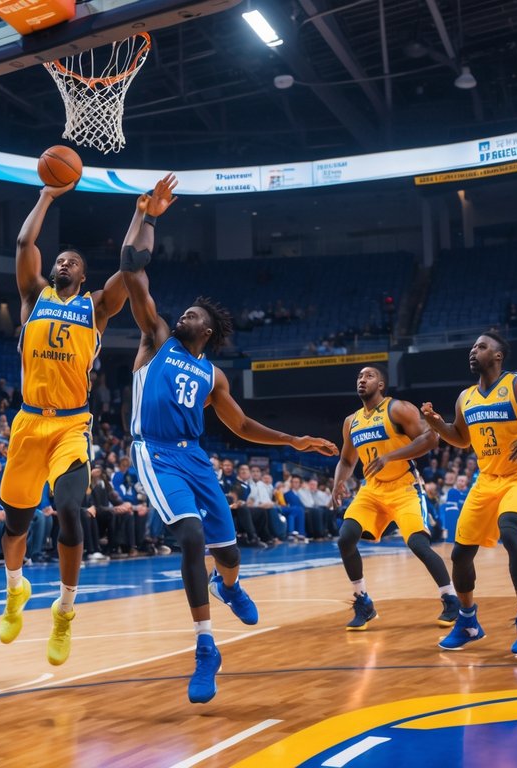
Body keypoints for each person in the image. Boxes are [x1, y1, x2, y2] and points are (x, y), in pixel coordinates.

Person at [119, 175, 337, 702]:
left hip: (196, 457)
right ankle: (205, 646)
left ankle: (231, 584)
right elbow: (131, 268)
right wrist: (146, 214)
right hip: (156, 451)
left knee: (229, 552)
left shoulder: (215, 375)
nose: (186, 313)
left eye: (196, 313)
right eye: (186, 311)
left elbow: (239, 426)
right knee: (191, 539)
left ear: (210, 330)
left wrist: (293, 440)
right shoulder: (157, 340)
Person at [0, 174, 133, 667]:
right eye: (59, 260)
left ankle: (65, 611)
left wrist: (144, 216)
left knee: (69, 512)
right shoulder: (33, 297)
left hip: (72, 426)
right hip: (29, 424)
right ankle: (16, 590)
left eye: (71, 262)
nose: (61, 263)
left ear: (83, 275)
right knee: (14, 524)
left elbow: (131, 266)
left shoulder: (96, 308)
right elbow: (24, 241)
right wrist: (46, 195)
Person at [422, 331, 517, 656]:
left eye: (481, 346)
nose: (473, 351)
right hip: (486, 480)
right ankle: (468, 622)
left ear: (498, 355)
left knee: (509, 530)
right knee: (460, 555)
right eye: (473, 346)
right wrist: (436, 424)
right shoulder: (466, 398)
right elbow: (462, 439)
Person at [332, 365, 458, 632]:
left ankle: (451, 599)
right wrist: (338, 483)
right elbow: (346, 459)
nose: (362, 380)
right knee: (345, 538)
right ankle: (363, 602)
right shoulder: (351, 421)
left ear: (381, 385)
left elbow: (431, 438)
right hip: (372, 490)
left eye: (369, 376)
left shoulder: (398, 408)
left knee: (419, 545)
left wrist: (391, 456)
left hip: (404, 487)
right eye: (359, 376)